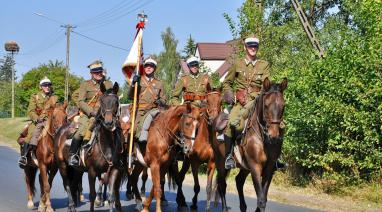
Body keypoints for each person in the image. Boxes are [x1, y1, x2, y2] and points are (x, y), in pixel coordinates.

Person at [221, 35, 271, 169]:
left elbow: (267, 85)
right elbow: (227, 82)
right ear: (245, 47)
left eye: (255, 46)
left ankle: (275, 158)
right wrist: (229, 93)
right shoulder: (238, 63)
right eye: (250, 46)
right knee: (233, 123)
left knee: (277, 124)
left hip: (257, 101)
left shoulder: (264, 65)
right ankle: (229, 156)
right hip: (240, 102)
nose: (253, 48)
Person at [68, 60, 113, 167]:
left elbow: (111, 98)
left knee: (118, 129)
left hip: (104, 113)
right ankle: (73, 154)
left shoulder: (108, 84)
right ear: (91, 73)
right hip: (88, 114)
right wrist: (91, 111)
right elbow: (80, 101)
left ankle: (119, 155)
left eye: (100, 71)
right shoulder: (85, 84)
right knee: (81, 131)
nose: (98, 74)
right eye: (95, 72)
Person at [18, 77, 57, 168]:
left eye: (49, 85)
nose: (47, 87)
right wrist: (36, 118)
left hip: (51, 121)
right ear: (41, 87)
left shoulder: (54, 97)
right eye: (45, 85)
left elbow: (58, 109)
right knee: (31, 133)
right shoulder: (35, 96)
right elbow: (30, 111)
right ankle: (24, 157)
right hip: (39, 121)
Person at [129, 58, 166, 143]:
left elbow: (164, 99)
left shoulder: (159, 83)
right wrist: (133, 84)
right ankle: (130, 153)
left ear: (154, 69)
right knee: (133, 130)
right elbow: (130, 96)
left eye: (151, 66)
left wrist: (161, 102)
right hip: (140, 111)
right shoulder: (139, 80)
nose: (148, 68)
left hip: (154, 111)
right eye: (146, 66)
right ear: (144, 68)